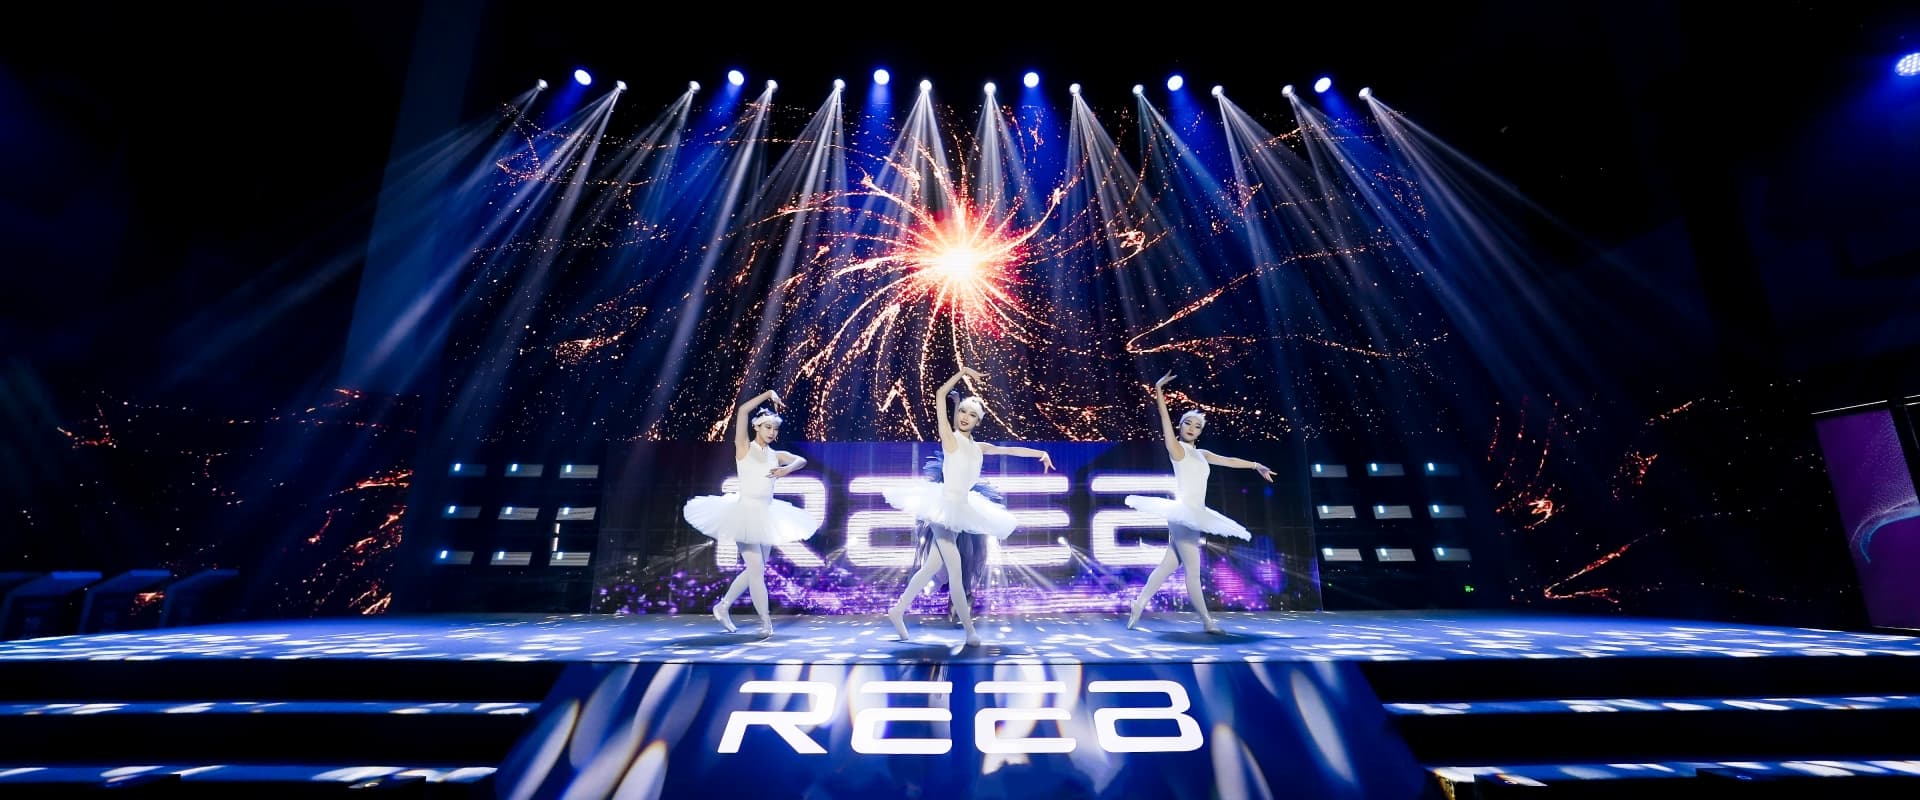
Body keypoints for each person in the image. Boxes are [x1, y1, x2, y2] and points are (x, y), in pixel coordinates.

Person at [884, 366, 1053, 646]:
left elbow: (1009, 449)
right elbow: (940, 394)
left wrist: (1041, 453)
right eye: (962, 411)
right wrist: (962, 371)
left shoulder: (978, 447)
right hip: (942, 509)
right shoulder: (950, 439)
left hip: (961, 508)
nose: (965, 417)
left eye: (971, 414)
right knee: (956, 571)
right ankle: (970, 631)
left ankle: (898, 610)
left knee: (930, 568)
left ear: (978, 421)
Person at [1122, 372, 1273, 633]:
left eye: (1197, 426)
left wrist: (1256, 465)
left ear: (1201, 431)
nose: (1192, 428)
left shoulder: (1201, 453)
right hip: (1184, 514)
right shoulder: (1177, 449)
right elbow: (1164, 420)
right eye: (1187, 424)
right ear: (1181, 426)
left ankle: (1139, 603)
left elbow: (1229, 461)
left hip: (1194, 513)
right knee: (1193, 571)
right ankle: (1207, 621)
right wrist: (1158, 389)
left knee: (1168, 565)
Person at [683, 390, 819, 637]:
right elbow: (743, 410)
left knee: (757, 570)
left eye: (775, 429)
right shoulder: (744, 448)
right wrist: (769, 394)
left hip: (766, 515)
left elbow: (800, 460)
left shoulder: (775, 455)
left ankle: (723, 606)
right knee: (756, 570)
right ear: (757, 427)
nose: (772, 432)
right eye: (767, 427)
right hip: (743, 514)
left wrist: (785, 470)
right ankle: (765, 622)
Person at [911, 447, 999, 624]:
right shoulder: (946, 470)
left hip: (966, 522)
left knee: (967, 561)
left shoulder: (969, 467)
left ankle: (962, 602)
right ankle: (959, 606)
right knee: (945, 566)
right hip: (948, 519)